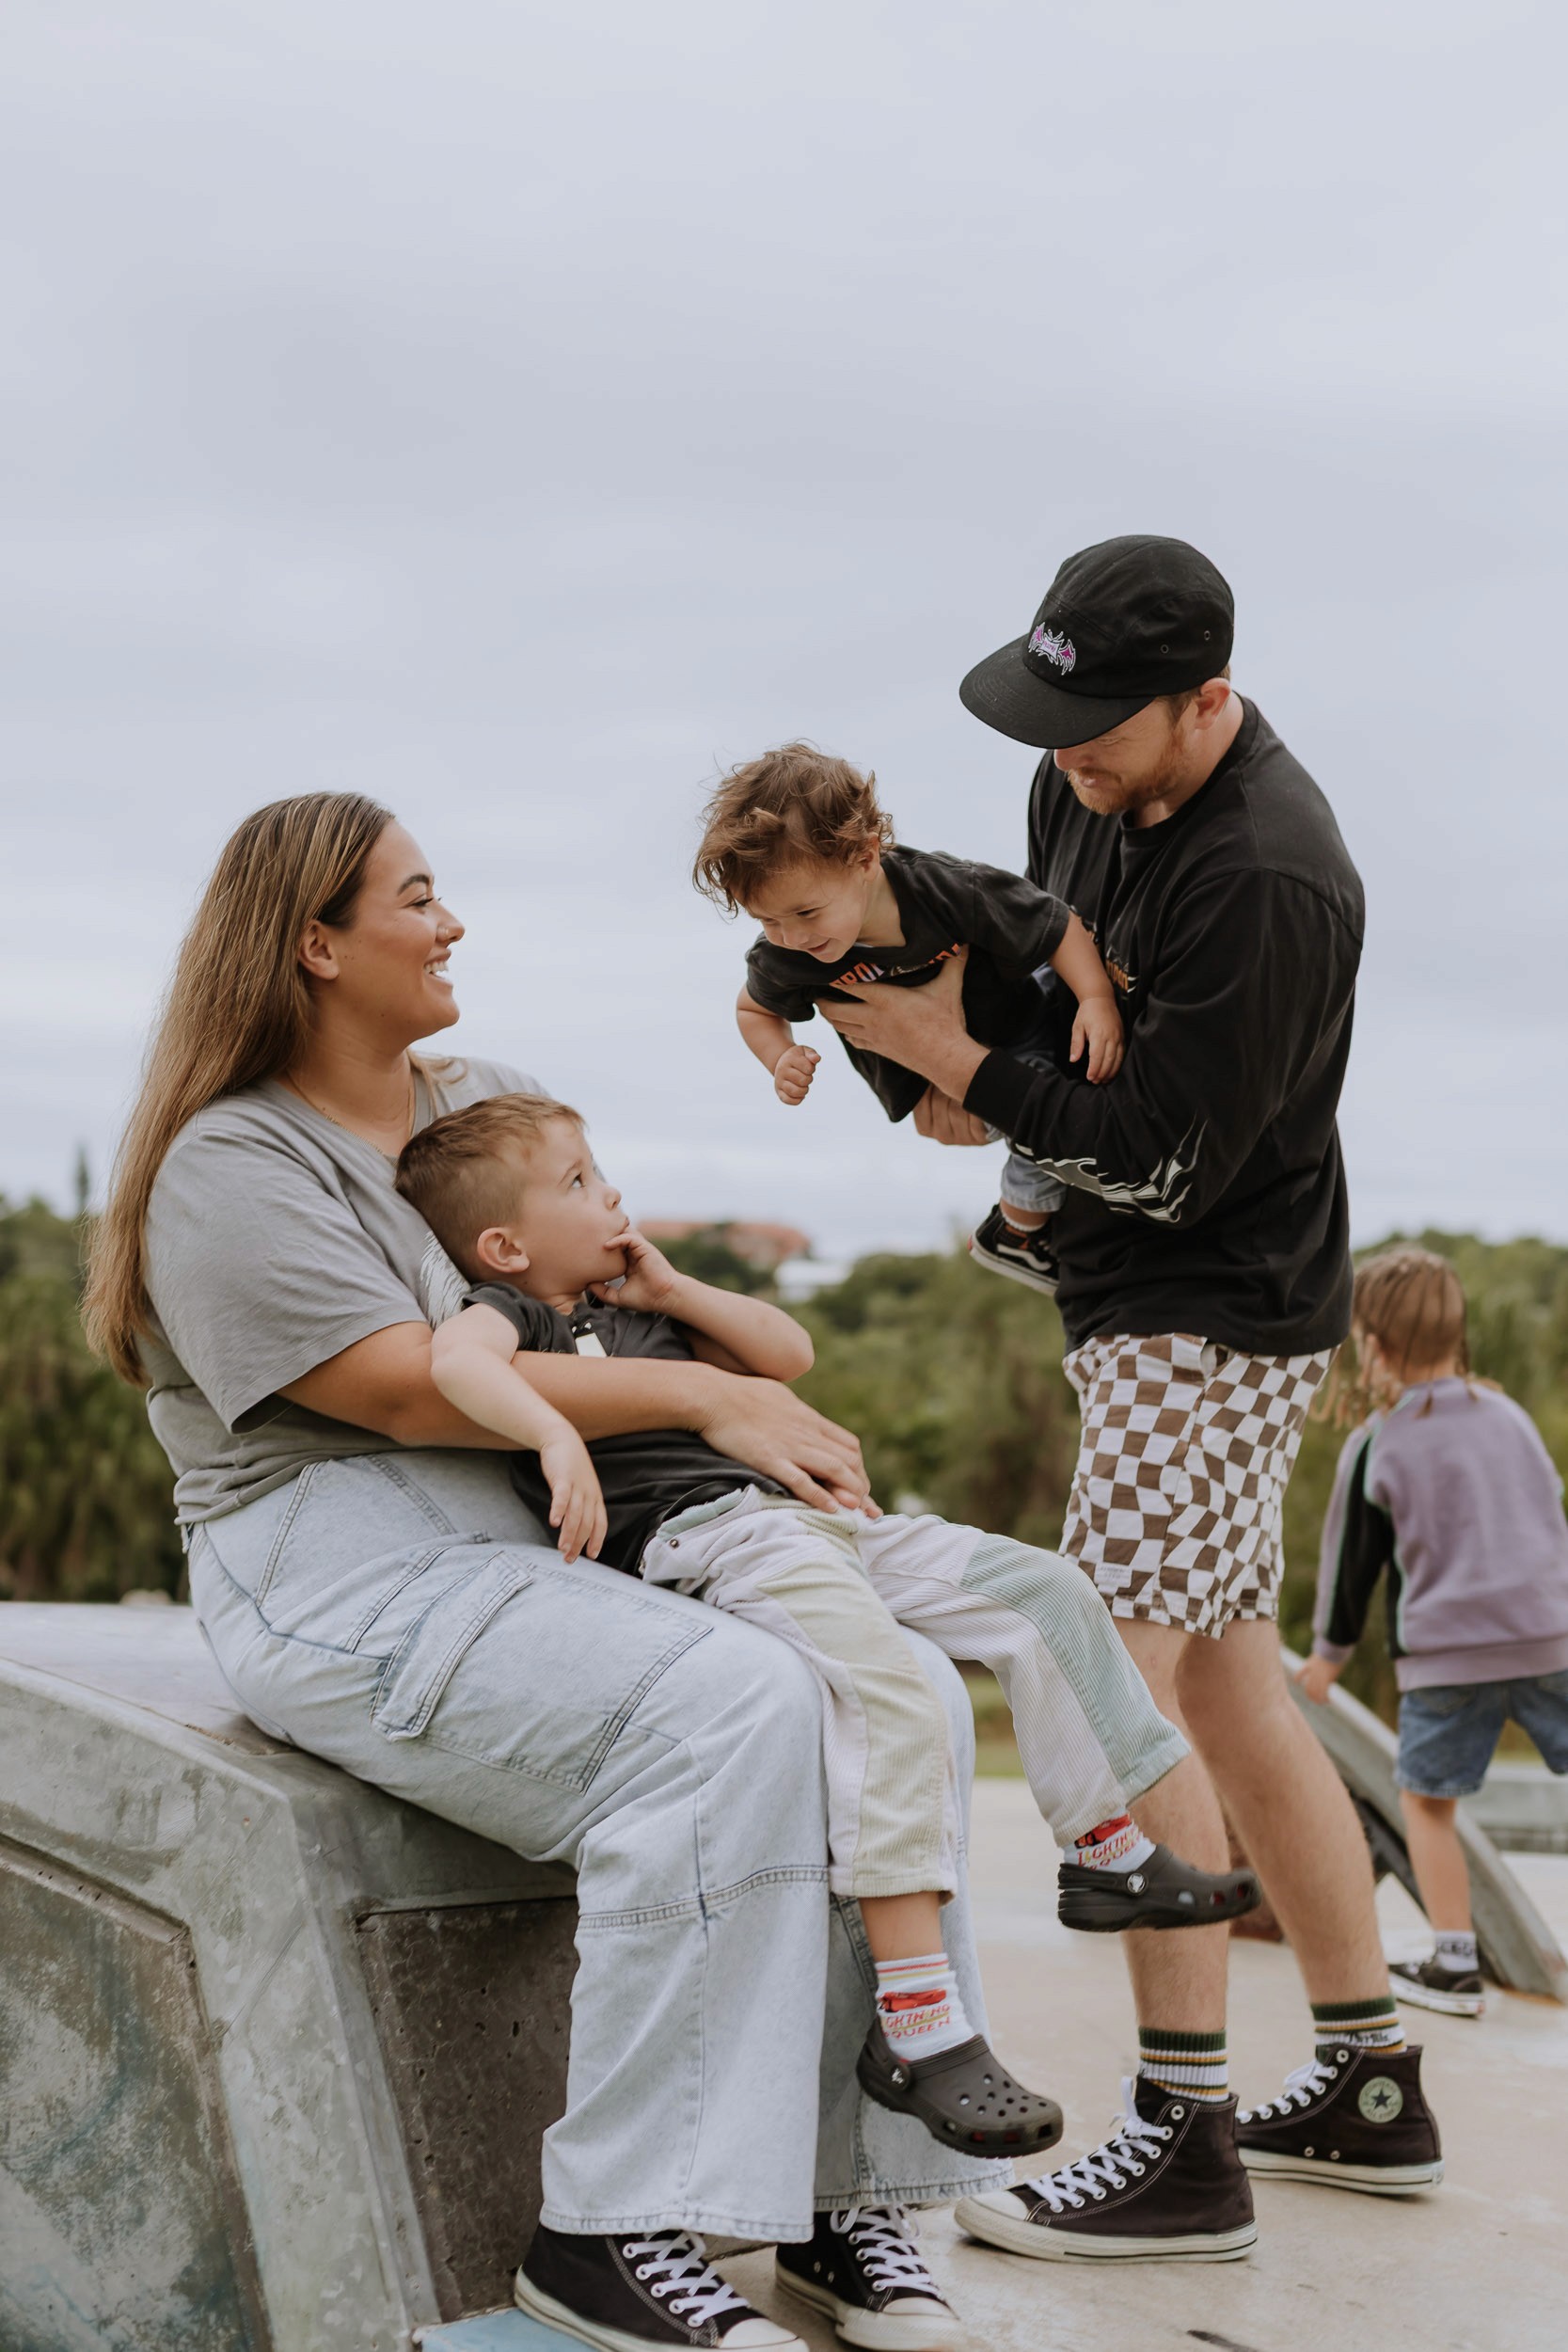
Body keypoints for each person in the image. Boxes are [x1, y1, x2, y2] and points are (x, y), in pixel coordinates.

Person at [87, 789, 1006, 2352]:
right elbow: (391, 1385)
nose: (452, 925)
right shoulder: (227, 1162)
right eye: (417, 898)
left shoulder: (489, 1101)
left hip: (554, 1535)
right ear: (314, 945)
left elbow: (593, 1305)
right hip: (341, 1565)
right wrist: (714, 1397)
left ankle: (854, 2190)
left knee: (891, 1680)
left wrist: (723, 1407)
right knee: (721, 1710)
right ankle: (609, 2235)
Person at [807, 534, 1444, 2261]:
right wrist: (956, 1070)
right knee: (1233, 1681)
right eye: (1051, 719)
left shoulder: (1273, 879)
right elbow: (1046, 980)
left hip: (1207, 1310)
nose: (1063, 760)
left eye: (1099, 729)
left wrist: (970, 1075)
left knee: (1119, 1665)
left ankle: (1184, 2138)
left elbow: (1163, 1156)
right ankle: (1372, 2082)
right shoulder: (1073, 772)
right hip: (1145, 1296)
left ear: (1207, 701)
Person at [392, 1089, 1259, 2163]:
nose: (609, 1191)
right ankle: (919, 2023)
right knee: (888, 1690)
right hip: (713, 1541)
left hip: (813, 1523)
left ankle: (1102, 1846)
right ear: (503, 1243)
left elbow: (787, 1351)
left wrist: (671, 1283)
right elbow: (453, 1365)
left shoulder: (646, 1311)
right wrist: (554, 1440)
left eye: (600, 1169)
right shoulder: (516, 1317)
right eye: (576, 1182)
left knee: (1039, 1590)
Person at [693, 741, 1122, 1295]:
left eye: (806, 912)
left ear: (866, 858)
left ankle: (1017, 1227)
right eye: (767, 921)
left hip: (1017, 1029)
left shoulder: (947, 889)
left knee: (1064, 1087)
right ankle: (1021, 1230)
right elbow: (753, 1007)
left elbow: (1055, 924)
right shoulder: (786, 953)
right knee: (1020, 1117)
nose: (792, 937)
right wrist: (780, 1057)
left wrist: (1096, 999)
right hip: (924, 1084)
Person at [1300, 1246, 1568, 2018]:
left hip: (1446, 1660)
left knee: (1425, 1802)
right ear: (1458, 1337)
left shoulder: (1378, 1441)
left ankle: (1454, 1967)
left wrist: (1328, 1656)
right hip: (1548, 1638)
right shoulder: (1509, 1417)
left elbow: (1353, 1563)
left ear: (1373, 1348)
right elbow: (1546, 1517)